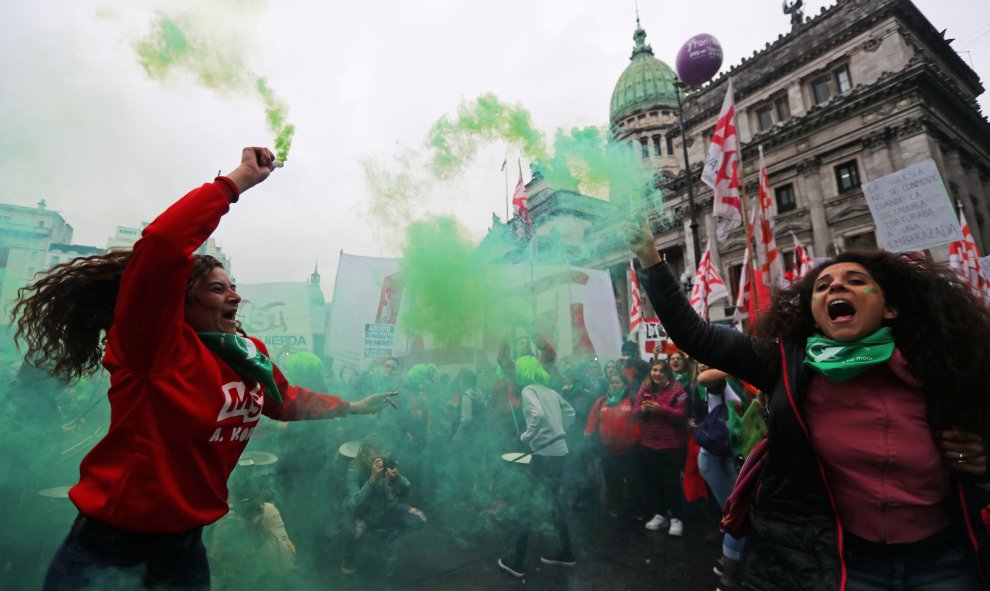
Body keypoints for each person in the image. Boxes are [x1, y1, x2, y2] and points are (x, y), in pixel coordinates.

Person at [11, 148, 399, 591]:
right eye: (217, 289)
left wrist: (351, 406)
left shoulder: (245, 352)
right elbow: (159, 245)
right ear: (184, 300)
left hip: (185, 548)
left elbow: (284, 399)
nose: (234, 296)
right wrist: (237, 182)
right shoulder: (155, 346)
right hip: (115, 548)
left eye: (233, 287)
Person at [627, 220, 990, 590]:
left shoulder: (946, 365)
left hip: (944, 562)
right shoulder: (787, 363)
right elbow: (696, 336)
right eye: (823, 285)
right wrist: (650, 258)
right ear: (814, 312)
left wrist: (983, 457)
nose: (836, 285)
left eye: (855, 280)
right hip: (845, 564)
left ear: (890, 308)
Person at [498, 356, 576, 578]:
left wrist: (526, 437)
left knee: (526, 503)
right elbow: (570, 413)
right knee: (553, 502)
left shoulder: (529, 390)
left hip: (544, 454)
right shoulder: (549, 391)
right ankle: (566, 552)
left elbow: (538, 415)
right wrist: (559, 432)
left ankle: (517, 562)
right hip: (559, 451)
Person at [341, 434, 426, 575]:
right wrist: (372, 480)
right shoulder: (355, 470)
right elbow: (354, 505)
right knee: (353, 532)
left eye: (383, 457)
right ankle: (348, 556)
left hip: (388, 511)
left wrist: (396, 477)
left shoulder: (387, 464)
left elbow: (406, 490)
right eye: (375, 459)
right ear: (364, 456)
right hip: (363, 515)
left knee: (420, 519)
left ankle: (391, 539)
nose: (380, 462)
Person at [634, 359, 689, 537]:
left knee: (671, 482)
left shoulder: (677, 390)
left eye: (660, 371)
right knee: (654, 481)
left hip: (671, 445)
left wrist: (660, 409)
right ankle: (660, 514)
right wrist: (643, 409)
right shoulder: (645, 388)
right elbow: (634, 414)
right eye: (654, 370)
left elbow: (682, 415)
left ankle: (676, 517)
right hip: (649, 443)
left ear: (667, 373)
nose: (656, 374)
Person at [584, 372, 642, 518]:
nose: (613, 385)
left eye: (616, 382)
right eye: (611, 383)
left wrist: (635, 438)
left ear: (624, 385)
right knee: (612, 480)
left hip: (629, 451)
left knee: (633, 481)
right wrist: (589, 429)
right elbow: (593, 416)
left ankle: (636, 508)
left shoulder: (632, 400)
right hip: (608, 451)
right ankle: (616, 505)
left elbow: (639, 420)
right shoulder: (602, 401)